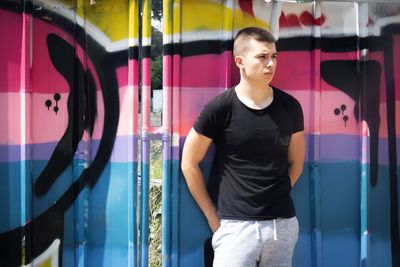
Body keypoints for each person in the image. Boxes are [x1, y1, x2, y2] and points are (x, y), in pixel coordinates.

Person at [181, 27, 306, 267]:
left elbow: (296, 162)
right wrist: (212, 218)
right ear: (240, 61)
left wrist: (274, 193)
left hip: (282, 226)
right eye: (262, 57)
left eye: (274, 56)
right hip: (235, 229)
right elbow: (189, 162)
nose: (271, 64)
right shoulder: (220, 108)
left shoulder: (291, 107)